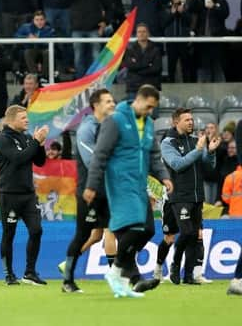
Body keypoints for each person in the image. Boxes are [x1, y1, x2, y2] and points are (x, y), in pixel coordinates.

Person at [84, 85, 173, 298]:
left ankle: (122, 274)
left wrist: (164, 176)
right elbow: (100, 154)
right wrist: (92, 184)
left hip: (138, 182)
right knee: (136, 226)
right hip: (119, 181)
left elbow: (153, 155)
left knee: (149, 229)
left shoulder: (148, 124)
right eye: (149, 106)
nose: (150, 111)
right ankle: (118, 272)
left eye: (154, 108)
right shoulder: (115, 120)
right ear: (139, 100)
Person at [61, 89, 117, 293]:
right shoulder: (87, 129)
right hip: (90, 192)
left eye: (113, 101)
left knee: (124, 231)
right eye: (108, 101)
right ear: (96, 105)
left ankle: (120, 276)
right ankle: (67, 279)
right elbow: (93, 161)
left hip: (110, 191)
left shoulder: (112, 126)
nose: (112, 104)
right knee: (83, 236)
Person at [159, 108, 219, 285]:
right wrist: (199, 150)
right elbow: (177, 164)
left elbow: (209, 167)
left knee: (194, 236)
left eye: (192, 119)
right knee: (186, 232)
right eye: (186, 120)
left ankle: (189, 275)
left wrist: (211, 152)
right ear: (175, 122)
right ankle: (175, 265)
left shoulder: (195, 140)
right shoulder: (167, 143)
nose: (191, 122)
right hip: (179, 195)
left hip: (197, 195)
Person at [0, 104, 48, 285]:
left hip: (28, 193)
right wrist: (34, 142)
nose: (27, 121)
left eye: (27, 117)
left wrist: (39, 144)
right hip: (9, 193)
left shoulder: (26, 138)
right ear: (11, 120)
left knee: (36, 230)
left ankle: (30, 272)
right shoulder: (2, 139)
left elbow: (39, 162)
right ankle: (9, 274)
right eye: (23, 118)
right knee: (9, 233)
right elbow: (18, 159)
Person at [188, 0, 229, 83]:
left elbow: (225, 14)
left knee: (217, 67)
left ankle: (221, 94)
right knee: (203, 67)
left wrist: (214, 7)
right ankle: (202, 94)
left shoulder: (221, 1)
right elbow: (191, 9)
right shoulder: (200, 1)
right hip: (202, 39)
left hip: (216, 40)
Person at [122, 23, 162, 100]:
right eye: (139, 32)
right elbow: (129, 66)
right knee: (133, 112)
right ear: (136, 34)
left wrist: (137, 67)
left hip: (151, 87)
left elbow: (156, 68)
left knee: (152, 112)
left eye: (144, 31)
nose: (141, 34)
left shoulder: (156, 49)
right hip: (133, 88)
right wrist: (148, 65)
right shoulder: (130, 49)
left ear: (148, 33)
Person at [14, 11, 55, 78]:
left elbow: (52, 38)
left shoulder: (49, 29)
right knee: (28, 52)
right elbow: (16, 36)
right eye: (37, 20)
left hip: (44, 49)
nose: (39, 22)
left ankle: (44, 76)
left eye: (41, 19)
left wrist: (38, 39)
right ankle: (34, 76)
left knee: (48, 52)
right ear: (33, 20)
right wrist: (27, 37)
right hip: (31, 49)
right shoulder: (25, 27)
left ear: (45, 20)